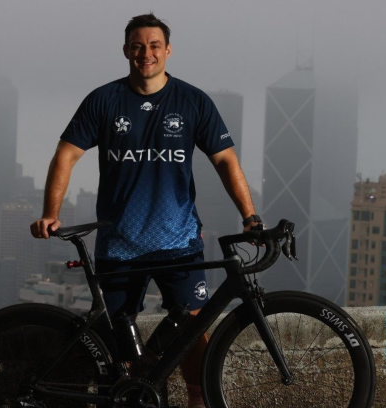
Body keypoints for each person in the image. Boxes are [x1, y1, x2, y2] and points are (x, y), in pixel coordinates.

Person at [30, 13, 262, 408]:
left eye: (154, 45)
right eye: (138, 46)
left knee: (193, 325)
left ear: (168, 50)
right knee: (115, 337)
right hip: (119, 242)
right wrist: (51, 212)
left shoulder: (193, 101)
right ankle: (126, 395)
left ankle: (197, 398)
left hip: (179, 239)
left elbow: (225, 160)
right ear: (126, 51)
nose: (146, 53)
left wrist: (250, 216)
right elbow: (65, 154)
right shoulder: (104, 100)